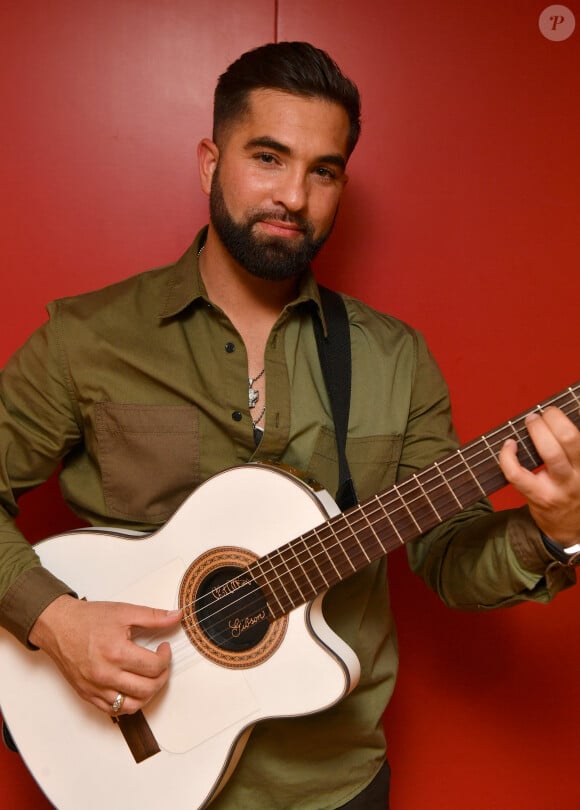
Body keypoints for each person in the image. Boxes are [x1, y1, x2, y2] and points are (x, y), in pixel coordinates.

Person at [0, 41, 579, 810]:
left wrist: (557, 530)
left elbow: (449, 560)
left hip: (333, 786)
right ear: (211, 161)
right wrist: (53, 619)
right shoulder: (87, 340)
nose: (294, 197)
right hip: (124, 768)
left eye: (324, 170)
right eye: (268, 158)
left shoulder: (394, 359)